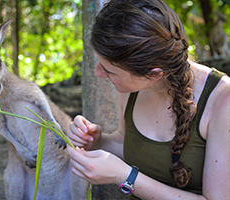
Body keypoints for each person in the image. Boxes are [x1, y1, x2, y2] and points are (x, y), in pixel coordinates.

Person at [66, 0, 230, 199]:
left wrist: (127, 177)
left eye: (109, 70)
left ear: (153, 74)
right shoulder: (129, 87)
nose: (98, 73)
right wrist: (99, 142)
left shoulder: (223, 100)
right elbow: (133, 147)